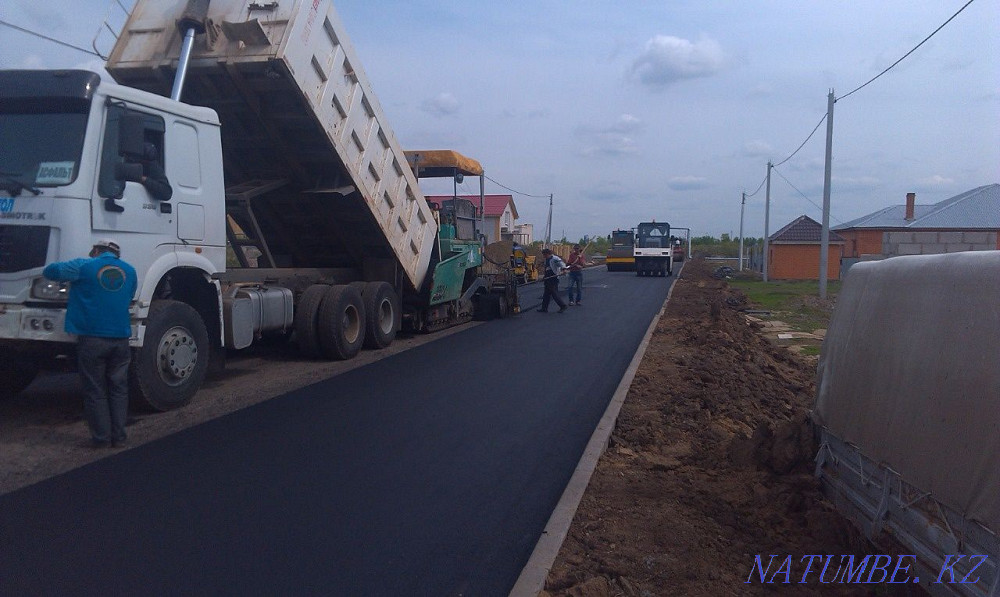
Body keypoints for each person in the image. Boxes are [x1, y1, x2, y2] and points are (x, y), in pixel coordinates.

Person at [43, 239, 138, 448]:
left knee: (95, 389)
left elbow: (50, 271)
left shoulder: (83, 266)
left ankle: (102, 439)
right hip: (121, 338)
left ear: (96, 250)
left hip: (92, 338)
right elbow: (130, 296)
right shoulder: (130, 271)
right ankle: (119, 437)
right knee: (119, 388)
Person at [537, 248, 568, 313]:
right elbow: (547, 269)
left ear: (547, 254)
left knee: (554, 294)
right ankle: (544, 308)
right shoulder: (546, 259)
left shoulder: (555, 258)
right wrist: (544, 277)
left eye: (544, 255)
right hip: (548, 278)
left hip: (553, 278)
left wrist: (564, 269)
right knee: (546, 294)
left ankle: (563, 306)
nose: (543, 256)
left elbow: (561, 264)